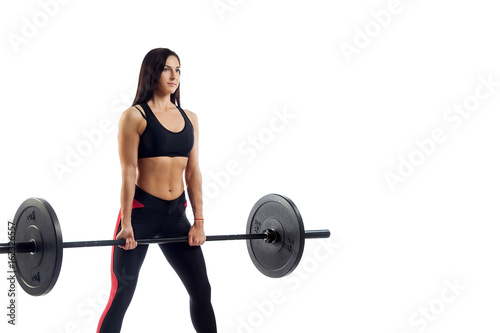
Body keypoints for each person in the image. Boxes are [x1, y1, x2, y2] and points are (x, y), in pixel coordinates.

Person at [97, 48, 217, 333]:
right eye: (167, 69)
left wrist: (199, 222)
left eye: (178, 70)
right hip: (141, 216)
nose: (174, 75)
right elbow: (128, 172)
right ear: (152, 72)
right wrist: (126, 225)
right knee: (122, 294)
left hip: (177, 216)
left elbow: (193, 172)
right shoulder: (134, 116)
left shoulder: (190, 118)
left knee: (202, 290)